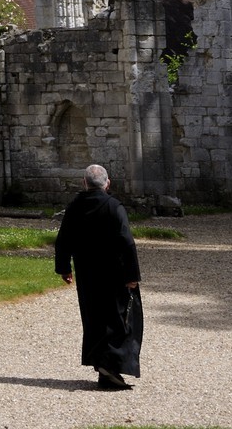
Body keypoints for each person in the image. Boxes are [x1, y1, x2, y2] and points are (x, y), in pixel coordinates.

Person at [54, 162, 143, 391]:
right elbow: (126, 242)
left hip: (87, 274)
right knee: (119, 317)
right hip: (114, 274)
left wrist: (64, 268)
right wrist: (132, 275)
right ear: (107, 183)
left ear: (85, 183)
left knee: (93, 317)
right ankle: (109, 367)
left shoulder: (75, 206)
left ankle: (104, 367)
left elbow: (64, 239)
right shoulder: (114, 206)